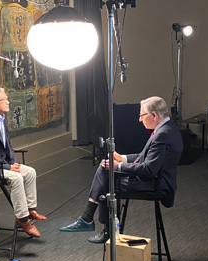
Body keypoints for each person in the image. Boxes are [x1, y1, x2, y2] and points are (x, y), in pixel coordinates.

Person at [60, 96, 183, 243]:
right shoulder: (168, 129)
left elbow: (149, 169)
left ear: (154, 115)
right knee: (106, 171)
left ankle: (95, 223)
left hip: (155, 184)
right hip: (159, 180)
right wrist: (122, 158)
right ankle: (93, 222)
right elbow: (145, 157)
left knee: (107, 177)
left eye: (142, 115)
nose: (139, 119)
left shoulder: (162, 134)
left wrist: (119, 166)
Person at [0, 87, 47, 237]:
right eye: (4, 100)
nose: (8, 102)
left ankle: (30, 209)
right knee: (16, 178)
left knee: (29, 172)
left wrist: (14, 164)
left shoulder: (1, 119)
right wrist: (8, 166)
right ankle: (23, 219)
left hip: (1, 164)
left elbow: (8, 146)